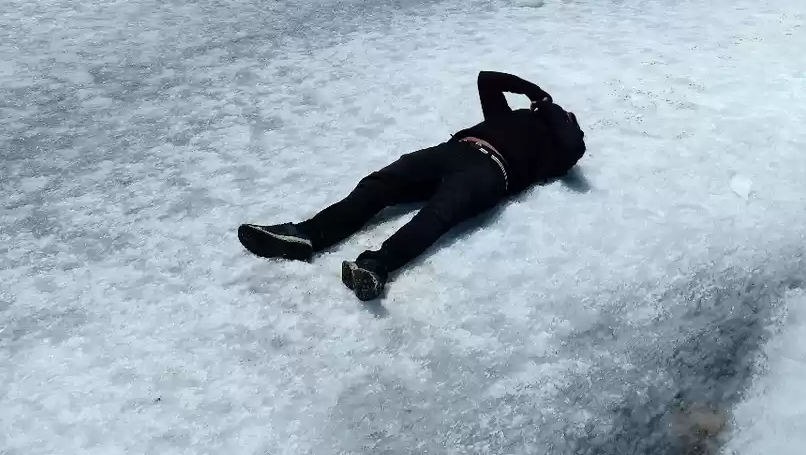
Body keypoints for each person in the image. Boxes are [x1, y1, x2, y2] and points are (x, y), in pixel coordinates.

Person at [237, 71, 585, 301]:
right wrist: (534, 92)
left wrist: (551, 109)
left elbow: (574, 144)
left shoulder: (555, 152)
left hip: (493, 170)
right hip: (453, 151)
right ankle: (306, 235)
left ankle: (376, 266)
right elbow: (488, 80)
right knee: (381, 184)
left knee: (438, 214)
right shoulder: (504, 117)